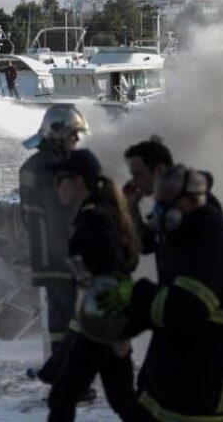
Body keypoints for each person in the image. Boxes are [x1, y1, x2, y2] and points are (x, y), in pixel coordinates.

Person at [98, 165, 223, 422]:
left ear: (192, 200)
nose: (159, 211)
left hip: (201, 391)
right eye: (157, 203)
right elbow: (166, 304)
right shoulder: (184, 234)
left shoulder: (212, 242)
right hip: (172, 379)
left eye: (165, 204)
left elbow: (188, 311)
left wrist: (137, 293)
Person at [45, 149, 139, 422]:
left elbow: (116, 273)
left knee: (62, 397)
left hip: (103, 327)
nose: (56, 187)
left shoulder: (94, 220)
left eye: (60, 179)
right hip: (101, 325)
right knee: (122, 400)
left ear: (78, 181)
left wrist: (120, 333)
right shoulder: (95, 214)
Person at [19, 105, 89, 384]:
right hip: (63, 257)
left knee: (59, 321)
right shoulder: (55, 171)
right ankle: (72, 378)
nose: (77, 142)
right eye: (74, 136)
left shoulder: (30, 166)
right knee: (79, 318)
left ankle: (59, 371)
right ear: (60, 136)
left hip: (43, 256)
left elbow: (27, 217)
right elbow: (64, 217)